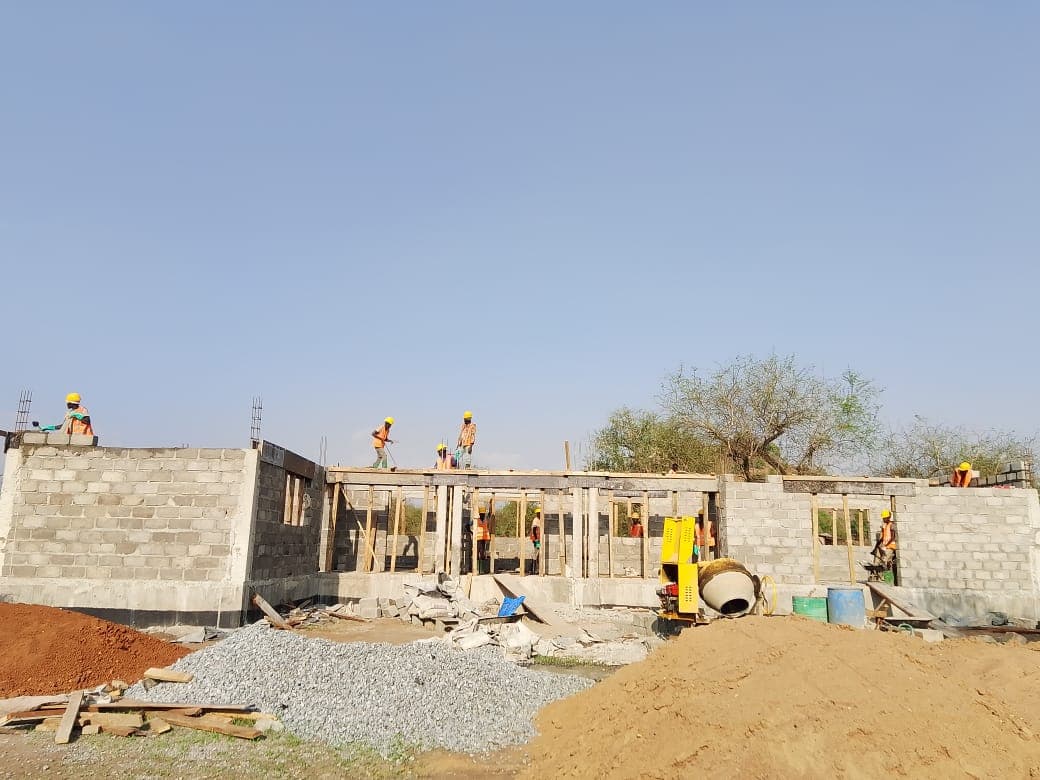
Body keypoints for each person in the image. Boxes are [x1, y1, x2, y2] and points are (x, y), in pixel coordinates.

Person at [528, 508, 542, 574]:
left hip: (538, 538)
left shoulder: (540, 519)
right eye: (538, 513)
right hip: (536, 539)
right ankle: (533, 570)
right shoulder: (536, 520)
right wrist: (536, 539)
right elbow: (534, 529)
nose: (539, 514)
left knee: (537, 552)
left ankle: (534, 569)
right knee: (536, 551)